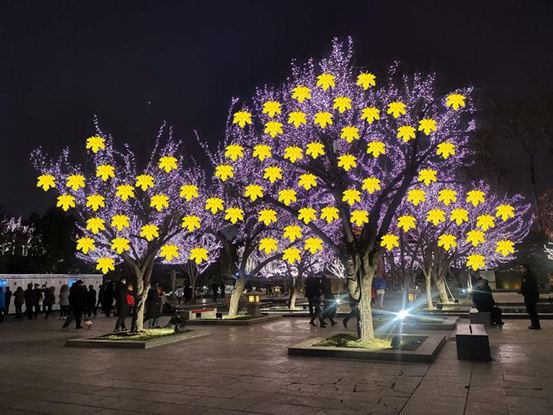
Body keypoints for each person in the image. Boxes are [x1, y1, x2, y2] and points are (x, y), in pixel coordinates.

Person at [519, 264, 541, 330]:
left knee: (531, 310)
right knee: (531, 310)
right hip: (531, 295)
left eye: (522, 268)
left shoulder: (527, 275)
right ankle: (534, 324)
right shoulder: (529, 274)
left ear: (525, 268)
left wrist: (524, 292)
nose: (521, 269)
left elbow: (527, 286)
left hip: (530, 295)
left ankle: (535, 325)